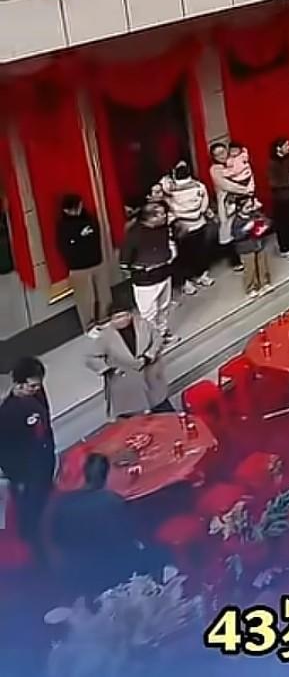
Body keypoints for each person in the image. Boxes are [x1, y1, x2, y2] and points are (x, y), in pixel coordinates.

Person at [49, 453, 151, 597]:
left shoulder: (65, 503)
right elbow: (129, 535)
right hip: (111, 568)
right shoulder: (114, 501)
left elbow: (58, 539)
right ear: (106, 475)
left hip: (77, 571)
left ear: (85, 473)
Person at [0, 357, 55, 549]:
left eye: (38, 385)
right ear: (18, 384)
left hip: (44, 463)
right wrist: (18, 476)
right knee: (30, 513)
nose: (37, 389)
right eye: (32, 386)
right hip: (25, 472)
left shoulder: (37, 395)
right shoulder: (7, 412)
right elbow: (5, 450)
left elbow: (46, 423)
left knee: (45, 504)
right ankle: (33, 545)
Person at [84, 301, 171, 418]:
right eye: (116, 318)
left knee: (163, 410)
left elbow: (157, 339)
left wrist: (149, 355)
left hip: (149, 374)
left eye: (123, 316)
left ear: (130, 315)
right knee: (134, 417)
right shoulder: (105, 336)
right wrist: (109, 369)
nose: (121, 320)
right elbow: (91, 358)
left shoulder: (143, 325)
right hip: (125, 381)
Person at [119, 199, 175, 341]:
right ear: (151, 217)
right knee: (148, 313)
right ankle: (152, 340)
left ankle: (163, 332)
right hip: (146, 280)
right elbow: (125, 261)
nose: (165, 216)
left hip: (164, 273)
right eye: (161, 214)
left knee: (164, 307)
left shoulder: (164, 228)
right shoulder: (134, 234)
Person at [56, 193, 111, 333]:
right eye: (74, 208)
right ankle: (89, 326)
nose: (78, 210)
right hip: (78, 268)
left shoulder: (89, 219)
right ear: (66, 210)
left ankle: (104, 318)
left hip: (97, 262)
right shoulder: (63, 227)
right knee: (85, 298)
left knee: (103, 292)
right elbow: (64, 248)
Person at [159, 160, 216, 294]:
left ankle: (201, 275)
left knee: (199, 252)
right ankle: (186, 282)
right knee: (183, 256)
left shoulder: (197, 186)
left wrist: (201, 212)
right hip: (181, 227)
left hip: (198, 224)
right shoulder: (170, 188)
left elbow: (204, 203)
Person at [211, 140, 256, 272]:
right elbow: (226, 185)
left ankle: (250, 251)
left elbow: (248, 172)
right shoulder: (215, 169)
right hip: (228, 204)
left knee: (246, 226)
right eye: (217, 154)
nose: (221, 155)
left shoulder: (235, 160)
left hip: (244, 201)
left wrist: (250, 188)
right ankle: (234, 260)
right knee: (229, 231)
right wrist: (244, 190)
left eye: (223, 151)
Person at [231, 193, 273, 297]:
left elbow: (267, 220)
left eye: (251, 206)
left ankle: (265, 283)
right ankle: (251, 288)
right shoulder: (237, 221)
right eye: (247, 207)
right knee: (250, 269)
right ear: (239, 208)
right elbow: (236, 236)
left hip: (259, 244)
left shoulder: (255, 214)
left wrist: (265, 226)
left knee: (262, 265)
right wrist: (245, 229)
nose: (250, 209)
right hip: (246, 248)